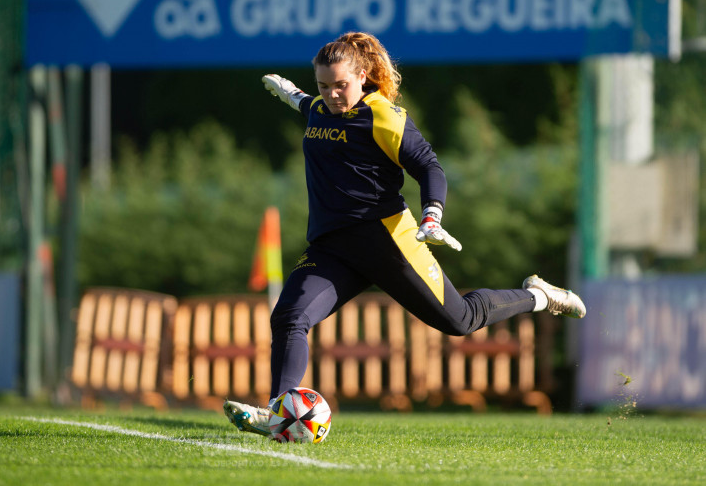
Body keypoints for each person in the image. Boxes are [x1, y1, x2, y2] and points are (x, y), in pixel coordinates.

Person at [223, 32, 585, 437]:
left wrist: (432, 216)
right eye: (323, 86)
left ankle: (539, 295)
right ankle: (279, 414)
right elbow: (308, 105)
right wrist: (293, 94)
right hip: (333, 249)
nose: (332, 95)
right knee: (289, 317)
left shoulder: (384, 116)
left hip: (387, 243)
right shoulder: (320, 108)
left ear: (362, 76)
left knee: (460, 320)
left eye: (341, 85)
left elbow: (430, 167)